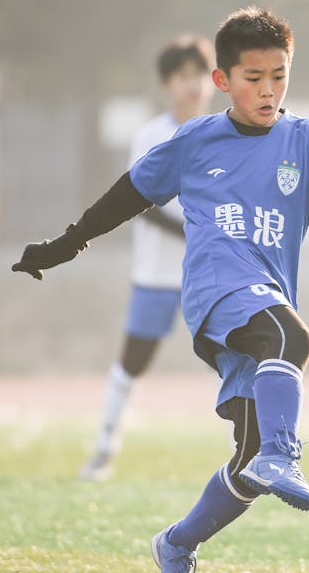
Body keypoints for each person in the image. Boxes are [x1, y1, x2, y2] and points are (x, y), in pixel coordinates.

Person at [12, 6, 309, 573]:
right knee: (292, 339)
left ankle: (177, 543)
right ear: (223, 81)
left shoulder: (308, 141)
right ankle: (286, 453)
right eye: (253, 79)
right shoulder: (196, 140)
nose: (268, 90)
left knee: (249, 457)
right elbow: (129, 193)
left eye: (279, 76)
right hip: (216, 289)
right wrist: (68, 242)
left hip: (264, 297)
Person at [79, 35, 215, 482]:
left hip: (210, 275)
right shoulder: (152, 136)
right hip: (157, 274)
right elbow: (141, 204)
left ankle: (253, 454)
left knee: (236, 359)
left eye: (200, 75)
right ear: (167, 84)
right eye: (182, 77)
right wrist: (194, 230)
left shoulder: (224, 134)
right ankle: (103, 450)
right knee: (133, 363)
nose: (192, 85)